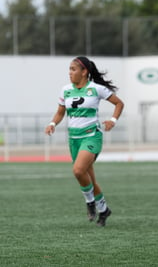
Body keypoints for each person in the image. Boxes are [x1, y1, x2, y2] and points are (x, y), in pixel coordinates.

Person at [45, 56, 124, 227]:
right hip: (74, 139)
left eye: (73, 69)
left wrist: (113, 120)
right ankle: (103, 210)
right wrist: (52, 123)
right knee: (89, 179)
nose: (70, 72)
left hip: (91, 137)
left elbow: (119, 104)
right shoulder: (65, 90)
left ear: (84, 72)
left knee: (78, 170)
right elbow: (60, 113)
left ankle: (90, 202)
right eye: (69, 69)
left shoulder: (96, 89)